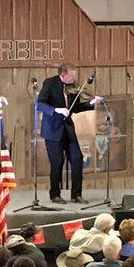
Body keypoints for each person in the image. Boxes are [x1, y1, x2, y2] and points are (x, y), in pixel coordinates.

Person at [37, 63, 103, 204]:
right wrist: (57, 110)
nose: (73, 78)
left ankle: (76, 194)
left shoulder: (73, 87)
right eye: (71, 75)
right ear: (62, 75)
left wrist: (91, 103)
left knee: (77, 158)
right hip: (53, 130)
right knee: (57, 163)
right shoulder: (50, 83)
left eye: (74, 75)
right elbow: (40, 104)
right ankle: (55, 194)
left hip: (68, 129)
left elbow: (76, 108)